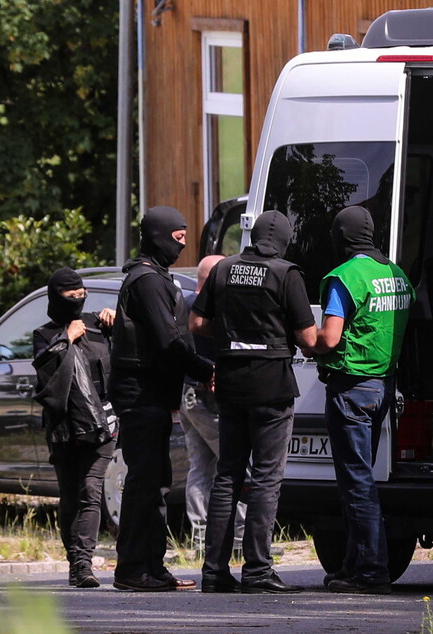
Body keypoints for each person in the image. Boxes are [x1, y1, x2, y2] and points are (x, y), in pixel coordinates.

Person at [189, 210, 316, 594]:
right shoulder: (286, 273)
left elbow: (196, 323)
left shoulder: (224, 269)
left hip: (229, 384)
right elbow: (309, 338)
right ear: (283, 241)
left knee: (227, 475)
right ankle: (258, 571)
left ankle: (213, 572)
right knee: (265, 478)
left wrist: (229, 334)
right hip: (272, 386)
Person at [109, 206, 214, 592]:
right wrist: (206, 371)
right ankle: (132, 570)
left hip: (152, 394)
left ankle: (153, 567)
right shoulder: (147, 282)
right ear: (159, 236)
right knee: (144, 483)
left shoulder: (157, 278)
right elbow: (168, 341)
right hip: (140, 395)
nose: (182, 245)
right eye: (178, 237)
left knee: (157, 484)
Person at [312, 205, 414, 594]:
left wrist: (305, 340)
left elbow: (331, 338)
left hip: (351, 388)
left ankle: (371, 571)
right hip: (382, 386)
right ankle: (351, 566)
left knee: (356, 484)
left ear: (341, 236)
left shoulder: (345, 278)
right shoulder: (397, 276)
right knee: (361, 478)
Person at [32, 267, 118, 589]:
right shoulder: (44, 335)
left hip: (102, 425)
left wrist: (117, 319)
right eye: (71, 296)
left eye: (83, 295)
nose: (79, 301)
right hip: (65, 429)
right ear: (56, 298)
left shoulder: (98, 325)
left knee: (91, 492)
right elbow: (45, 373)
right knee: (69, 496)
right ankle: (74, 560)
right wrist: (64, 340)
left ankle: (84, 564)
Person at [178, 254, 249, 557]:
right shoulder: (216, 305)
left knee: (200, 466)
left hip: (186, 395)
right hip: (209, 395)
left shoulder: (181, 303)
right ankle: (239, 541)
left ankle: (199, 541)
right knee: (238, 464)